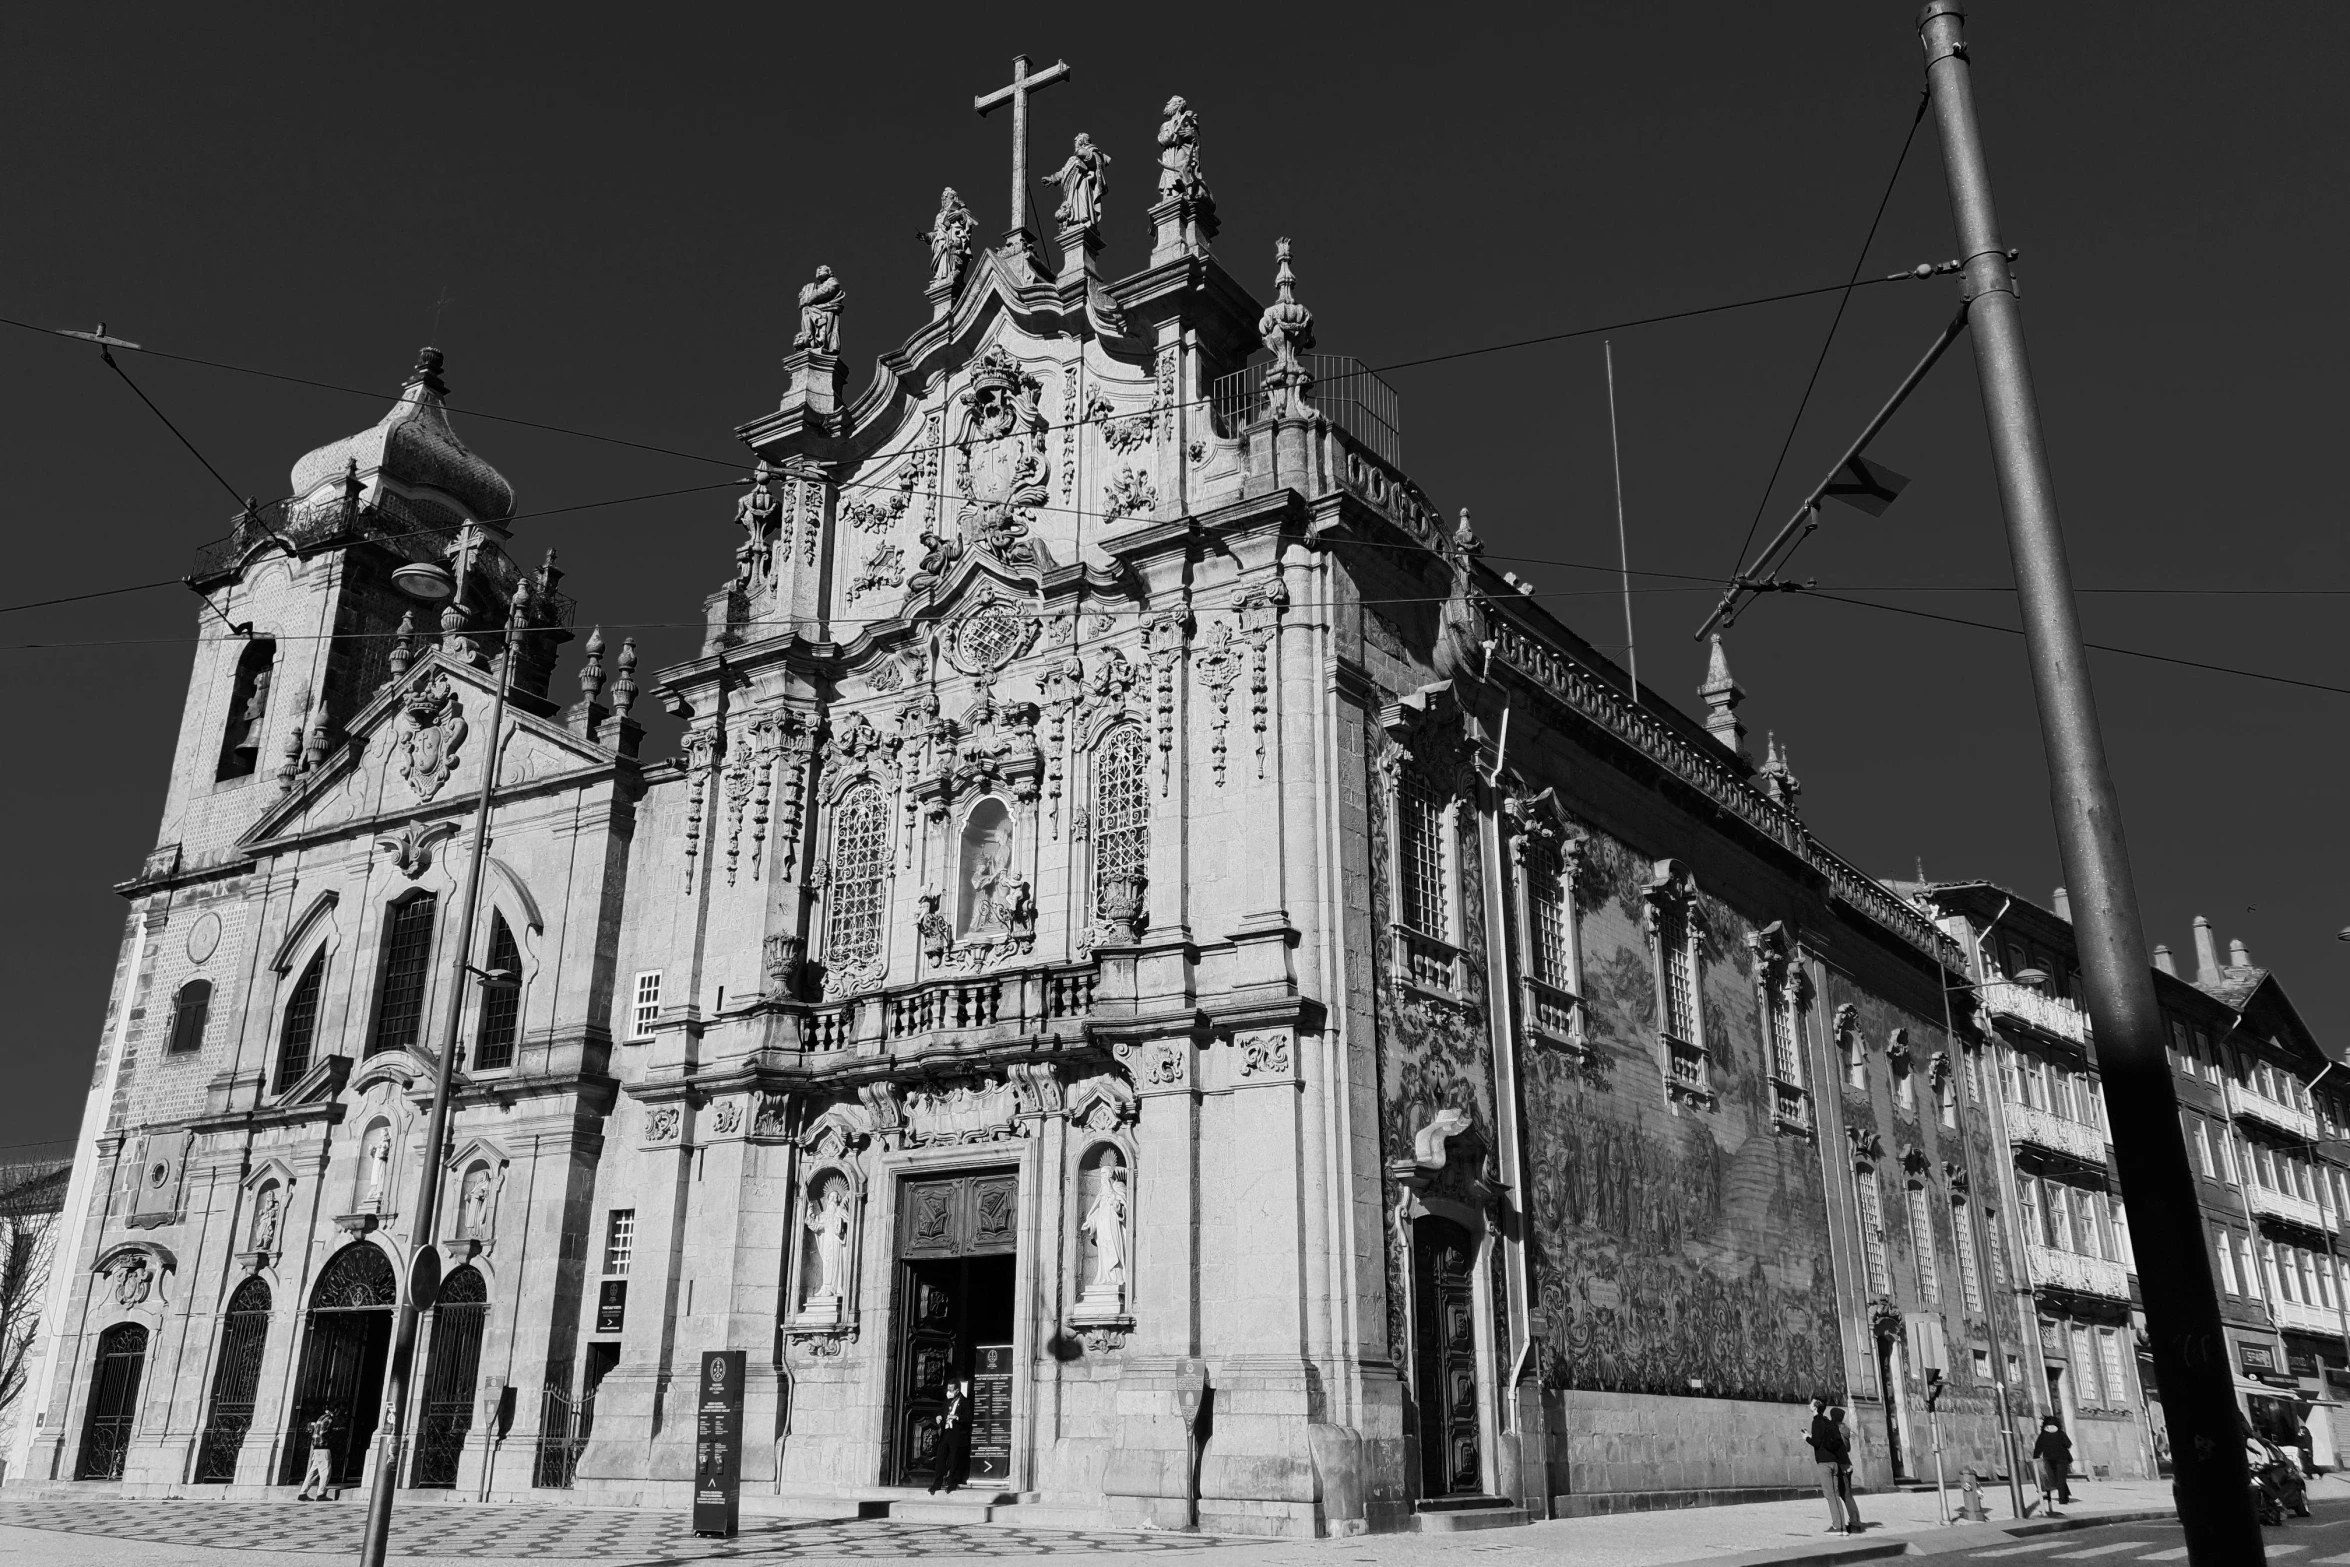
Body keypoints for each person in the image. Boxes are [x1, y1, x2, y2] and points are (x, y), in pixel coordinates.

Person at [1805, 1396, 1853, 1534]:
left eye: (1812, 1403)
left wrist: (1807, 1437)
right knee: (1835, 1494)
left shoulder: (1817, 1422)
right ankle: (1842, 1526)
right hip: (1834, 1462)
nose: (1810, 1404)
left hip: (1824, 1463)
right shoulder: (1828, 1422)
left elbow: (1816, 1443)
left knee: (1830, 1495)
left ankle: (1838, 1526)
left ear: (1815, 1407)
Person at [929, 1379, 971, 1495]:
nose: (949, 1391)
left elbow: (968, 1418)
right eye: (948, 1389)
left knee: (954, 1459)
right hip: (946, 1433)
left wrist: (957, 1417)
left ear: (957, 1390)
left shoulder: (965, 1402)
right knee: (941, 1458)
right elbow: (941, 1411)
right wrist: (939, 1416)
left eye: (951, 1390)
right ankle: (936, 1483)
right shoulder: (947, 1402)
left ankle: (952, 1482)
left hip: (957, 1434)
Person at [1828, 1404, 1865, 1533]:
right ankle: (1855, 1522)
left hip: (1840, 1466)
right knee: (1847, 1495)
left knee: (1840, 1495)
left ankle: (1848, 1524)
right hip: (1847, 1464)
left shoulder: (1835, 1430)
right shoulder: (1845, 1430)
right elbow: (1847, 1448)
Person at [2031, 1415, 2074, 1514]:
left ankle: (2064, 1495)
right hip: (2062, 1459)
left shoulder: (2043, 1435)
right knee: (2061, 1478)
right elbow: (2068, 1444)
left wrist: (2036, 1458)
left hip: (2049, 1460)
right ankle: (2063, 1499)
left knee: (2054, 1478)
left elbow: (2038, 1448)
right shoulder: (2060, 1433)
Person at [295, 1407, 340, 1501]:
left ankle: (302, 1492)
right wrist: (333, 1436)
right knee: (325, 1471)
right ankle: (321, 1494)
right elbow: (324, 1432)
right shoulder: (328, 1418)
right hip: (323, 1447)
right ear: (335, 1410)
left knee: (314, 1471)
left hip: (316, 1447)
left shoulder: (321, 1417)